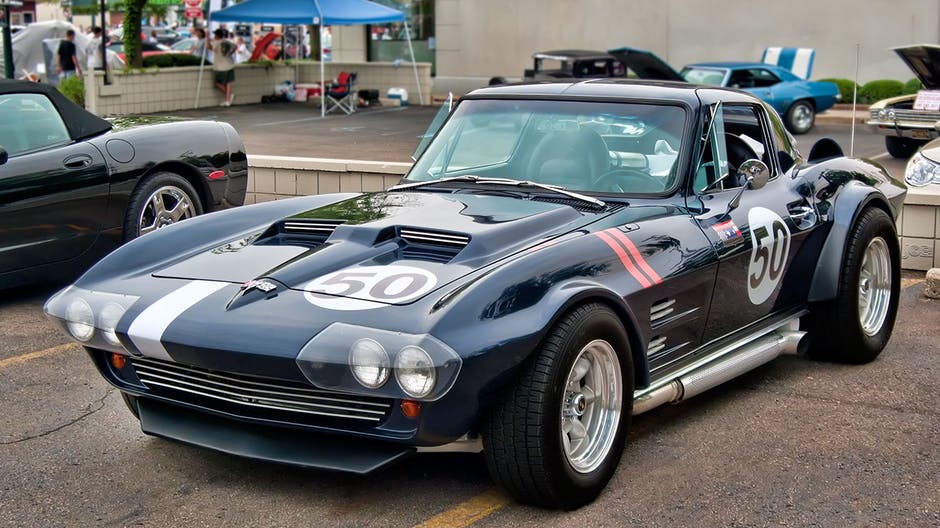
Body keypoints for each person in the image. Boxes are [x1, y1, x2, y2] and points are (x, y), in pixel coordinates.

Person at [211, 28, 236, 106]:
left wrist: (207, 39)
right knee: (228, 83)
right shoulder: (227, 42)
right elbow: (235, 47)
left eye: (215, 35)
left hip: (220, 67)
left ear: (217, 35)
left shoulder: (216, 43)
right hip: (229, 64)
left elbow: (210, 48)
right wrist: (230, 53)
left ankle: (229, 96)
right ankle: (228, 100)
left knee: (217, 83)